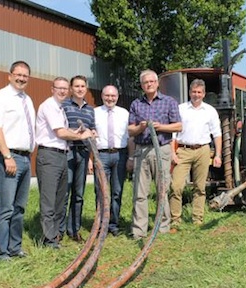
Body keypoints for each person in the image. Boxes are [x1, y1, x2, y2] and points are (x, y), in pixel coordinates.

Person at [0, 61, 35, 261]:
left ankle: (15, 248)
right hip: (8, 157)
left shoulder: (27, 100)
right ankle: (2, 253)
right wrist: (7, 156)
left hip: (25, 157)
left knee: (19, 207)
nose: (21, 78)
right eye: (18, 74)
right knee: (6, 207)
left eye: (25, 76)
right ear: (9, 75)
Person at [35, 77, 93, 249]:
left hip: (61, 154)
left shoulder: (60, 108)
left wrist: (76, 132)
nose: (62, 91)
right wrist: (82, 136)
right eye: (59, 88)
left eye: (64, 88)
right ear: (52, 88)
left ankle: (55, 235)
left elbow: (64, 131)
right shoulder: (49, 106)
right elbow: (60, 132)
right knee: (49, 199)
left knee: (60, 199)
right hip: (49, 156)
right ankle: (49, 239)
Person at [128, 69, 182, 240]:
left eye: (152, 81)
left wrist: (160, 127)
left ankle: (163, 226)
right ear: (142, 85)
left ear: (157, 83)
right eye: (145, 82)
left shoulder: (169, 102)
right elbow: (130, 130)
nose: (149, 84)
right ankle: (139, 230)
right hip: (142, 150)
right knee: (140, 192)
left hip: (162, 149)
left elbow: (178, 126)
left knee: (162, 189)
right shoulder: (136, 104)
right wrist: (141, 127)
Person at [169, 79, 222, 231]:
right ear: (190, 92)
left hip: (203, 150)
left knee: (200, 187)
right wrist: (173, 152)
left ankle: (197, 218)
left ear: (204, 94)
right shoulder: (180, 109)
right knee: (176, 186)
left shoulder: (210, 111)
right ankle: (175, 220)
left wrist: (217, 155)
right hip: (183, 150)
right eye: (194, 92)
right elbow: (173, 134)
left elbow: (217, 134)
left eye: (199, 92)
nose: (196, 95)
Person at [60, 75, 96, 243]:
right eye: (77, 86)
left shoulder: (90, 109)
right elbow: (61, 129)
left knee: (79, 194)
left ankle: (74, 230)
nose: (80, 89)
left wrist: (93, 134)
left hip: (82, 153)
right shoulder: (64, 105)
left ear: (86, 88)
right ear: (71, 88)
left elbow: (92, 130)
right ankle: (59, 231)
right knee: (64, 192)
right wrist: (78, 133)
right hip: (67, 152)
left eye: (83, 86)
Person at [94, 85, 133, 237]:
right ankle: (100, 224)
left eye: (113, 96)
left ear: (117, 96)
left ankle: (113, 223)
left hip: (120, 155)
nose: (110, 98)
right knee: (101, 191)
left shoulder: (124, 113)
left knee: (117, 191)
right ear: (102, 96)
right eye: (107, 95)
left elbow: (130, 138)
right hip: (101, 155)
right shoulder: (95, 112)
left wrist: (130, 157)